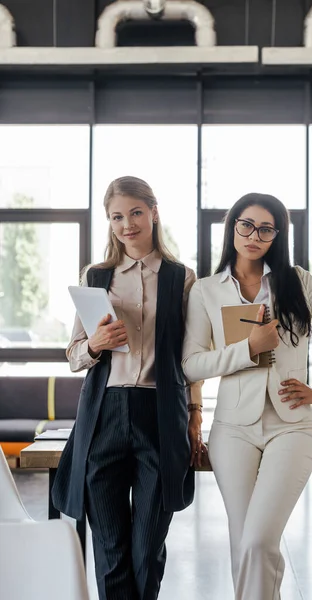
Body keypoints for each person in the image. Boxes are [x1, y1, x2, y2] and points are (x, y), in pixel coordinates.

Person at [182, 193, 312, 600]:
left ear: (276, 236)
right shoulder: (206, 291)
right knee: (244, 543)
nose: (254, 235)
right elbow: (191, 365)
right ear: (233, 227)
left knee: (258, 542)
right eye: (246, 224)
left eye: (265, 228)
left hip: (293, 427)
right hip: (232, 429)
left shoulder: (296, 281)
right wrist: (247, 348)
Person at [52, 176, 204, 600]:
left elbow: (191, 359)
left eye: (135, 212)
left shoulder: (182, 278)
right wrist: (95, 345)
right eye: (116, 216)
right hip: (103, 417)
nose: (127, 224)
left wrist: (195, 416)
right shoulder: (96, 276)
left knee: (147, 548)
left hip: (161, 414)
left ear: (154, 212)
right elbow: (73, 356)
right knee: (111, 548)